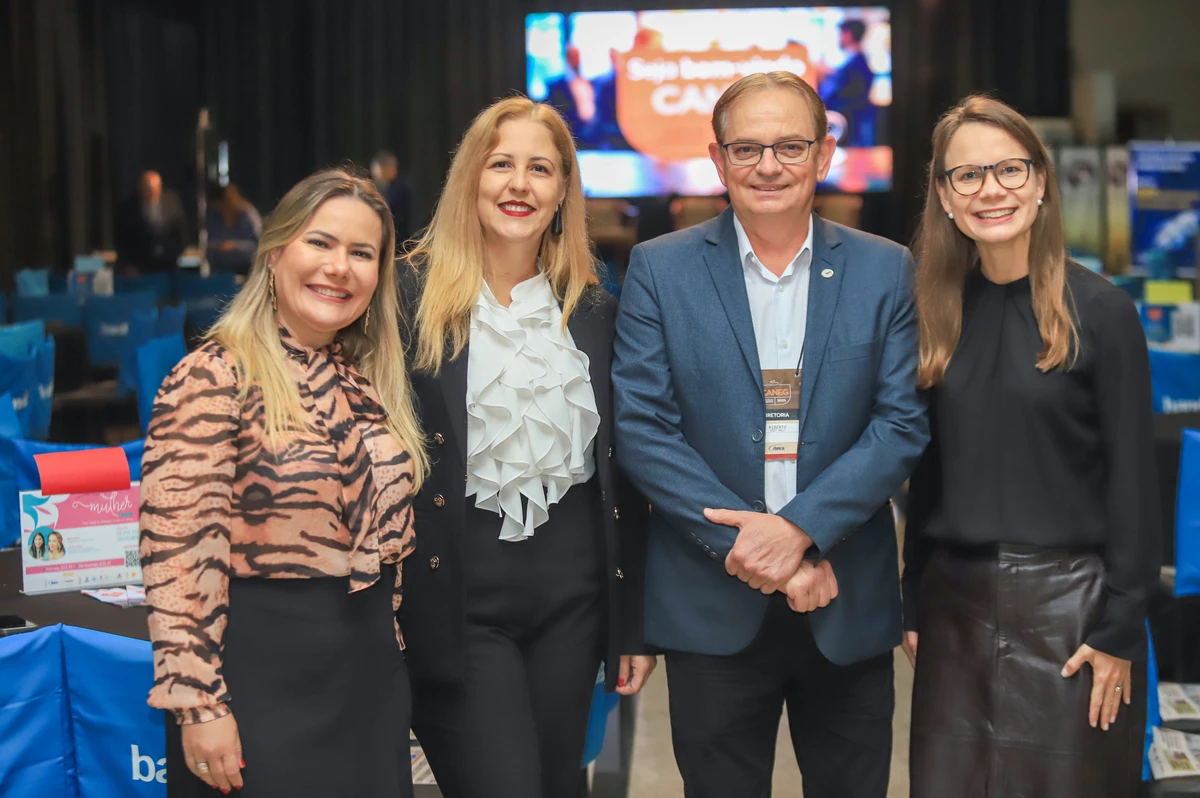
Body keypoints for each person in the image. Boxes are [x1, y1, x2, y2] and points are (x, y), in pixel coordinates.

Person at [613, 71, 928, 798]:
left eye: (790, 146)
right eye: (747, 148)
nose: (768, 165)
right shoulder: (660, 270)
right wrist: (762, 551)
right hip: (709, 603)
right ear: (717, 160)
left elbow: (900, 423)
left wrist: (801, 534)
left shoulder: (886, 270)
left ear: (824, 155)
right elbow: (644, 429)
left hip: (844, 597)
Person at [139, 168, 427, 797]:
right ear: (275, 253)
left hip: (370, 678)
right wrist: (199, 705)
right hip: (259, 681)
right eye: (320, 243)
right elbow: (177, 557)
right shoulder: (213, 377)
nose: (339, 268)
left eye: (361, 253)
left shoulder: (368, 381)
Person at [902, 95, 1159, 797]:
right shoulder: (932, 313)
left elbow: (1135, 482)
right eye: (967, 176)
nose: (991, 189)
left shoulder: (1102, 312)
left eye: (1009, 169)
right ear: (946, 198)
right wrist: (912, 601)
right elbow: (926, 476)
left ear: (1041, 181)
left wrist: (1119, 629)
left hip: (1074, 615)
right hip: (954, 609)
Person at [397, 96, 653, 798]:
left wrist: (631, 624)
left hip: (575, 605)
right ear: (469, 179)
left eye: (540, 168)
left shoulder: (596, 308)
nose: (519, 184)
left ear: (564, 190)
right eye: (501, 164)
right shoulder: (405, 297)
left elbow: (625, 472)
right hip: (460, 601)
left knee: (559, 787)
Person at [114, 170, 190, 274]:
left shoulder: (172, 204)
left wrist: (175, 255)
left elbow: (181, 234)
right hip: (139, 267)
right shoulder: (128, 210)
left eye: (154, 189)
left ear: (160, 188)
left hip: (168, 265)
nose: (150, 193)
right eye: (146, 189)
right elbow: (121, 239)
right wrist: (127, 264)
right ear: (140, 188)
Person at [819, 20, 878, 148]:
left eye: (841, 34)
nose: (838, 38)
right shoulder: (854, 62)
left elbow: (837, 95)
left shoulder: (857, 64)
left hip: (848, 133)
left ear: (849, 35)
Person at [205, 181, 262, 275]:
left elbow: (257, 246)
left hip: (247, 270)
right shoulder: (215, 216)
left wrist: (234, 245)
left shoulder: (247, 215)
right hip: (221, 272)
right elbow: (211, 245)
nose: (218, 209)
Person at [371, 151, 421, 247]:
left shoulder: (403, 188)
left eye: (377, 169)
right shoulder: (384, 188)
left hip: (402, 243)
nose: (375, 174)